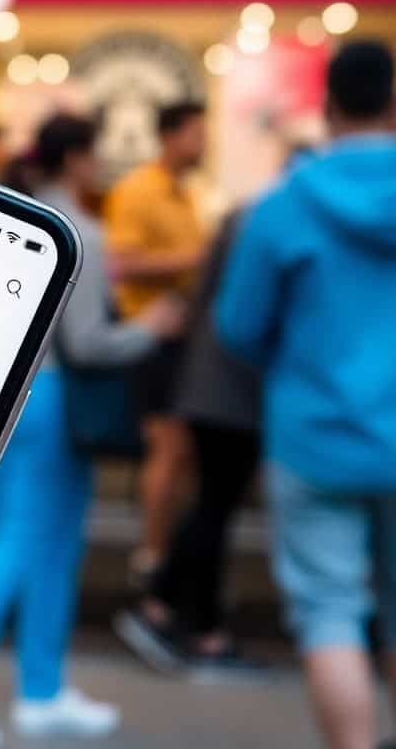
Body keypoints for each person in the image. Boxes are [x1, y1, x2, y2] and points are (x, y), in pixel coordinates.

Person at [0, 114, 183, 745]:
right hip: (57, 402)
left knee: (43, 542)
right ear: (78, 160)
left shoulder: (14, 216)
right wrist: (154, 326)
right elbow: (87, 343)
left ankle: (43, 689)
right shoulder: (79, 230)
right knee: (34, 539)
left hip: (12, 401)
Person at [216, 40, 396, 749]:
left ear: (330, 107)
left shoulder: (284, 206)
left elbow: (239, 327)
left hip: (314, 438)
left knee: (328, 613)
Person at [116, 206, 264, 678]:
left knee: (212, 507)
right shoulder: (262, 220)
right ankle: (187, 623)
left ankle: (172, 614)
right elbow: (243, 319)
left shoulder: (246, 217)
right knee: (213, 508)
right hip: (231, 391)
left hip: (215, 386)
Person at [104, 100, 209, 582]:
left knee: (180, 447)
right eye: (196, 133)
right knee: (166, 445)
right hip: (149, 338)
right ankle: (151, 555)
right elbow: (121, 263)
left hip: (180, 338)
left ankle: (162, 551)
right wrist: (196, 258)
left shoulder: (182, 192)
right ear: (170, 135)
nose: (204, 142)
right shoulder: (138, 190)